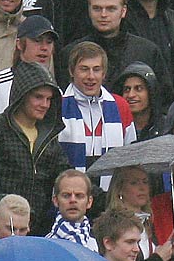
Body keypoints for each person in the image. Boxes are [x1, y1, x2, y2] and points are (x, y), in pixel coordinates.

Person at [56, 41, 135, 169]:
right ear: (71, 71)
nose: (91, 76)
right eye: (84, 69)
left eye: (96, 69)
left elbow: (130, 157)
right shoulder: (57, 106)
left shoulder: (120, 106)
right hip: (70, 187)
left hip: (110, 187)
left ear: (104, 74)